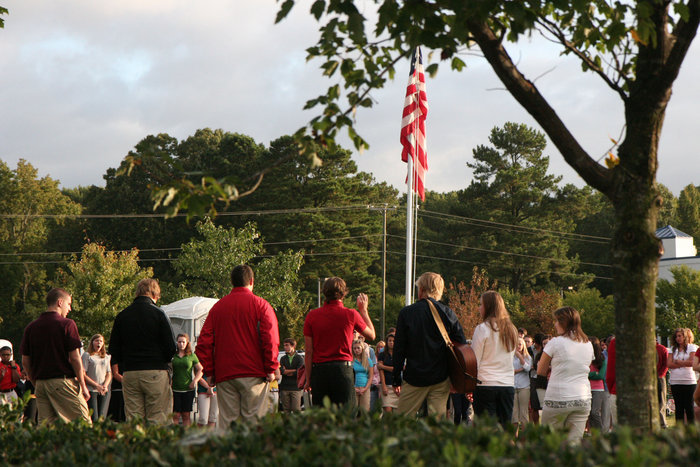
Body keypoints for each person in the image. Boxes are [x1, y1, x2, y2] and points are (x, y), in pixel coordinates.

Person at [196, 265, 280, 427]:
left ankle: (230, 453)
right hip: (254, 374)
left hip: (226, 375)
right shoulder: (261, 306)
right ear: (251, 281)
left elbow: (204, 342)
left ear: (232, 282)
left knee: (228, 424)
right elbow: (270, 338)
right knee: (255, 425)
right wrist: (271, 368)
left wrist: (210, 371)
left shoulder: (218, 308)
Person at [392, 272, 466, 418]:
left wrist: (396, 378)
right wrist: (455, 379)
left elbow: (399, 349)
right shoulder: (448, 313)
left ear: (421, 289)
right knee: (436, 425)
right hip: (441, 377)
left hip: (414, 377)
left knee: (402, 421)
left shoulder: (407, 313)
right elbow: (461, 345)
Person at [109, 278, 176, 425]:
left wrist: (125, 363)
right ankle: (154, 447)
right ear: (154, 294)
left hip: (130, 372)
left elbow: (113, 349)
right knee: (158, 418)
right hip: (155, 370)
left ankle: (135, 446)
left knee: (134, 419)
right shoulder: (159, 314)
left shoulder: (122, 315)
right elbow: (172, 347)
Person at [20, 288, 91, 424]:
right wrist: (82, 384)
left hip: (41, 384)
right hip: (62, 382)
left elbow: (25, 361)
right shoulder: (67, 324)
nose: (69, 308)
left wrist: (36, 381)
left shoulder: (31, 327)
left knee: (47, 428)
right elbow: (75, 358)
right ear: (60, 302)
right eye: (68, 304)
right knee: (83, 424)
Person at [303, 277, 375, 408]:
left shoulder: (312, 316)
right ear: (343, 293)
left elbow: (309, 351)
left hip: (320, 371)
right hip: (343, 369)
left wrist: (308, 379)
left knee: (322, 417)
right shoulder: (351, 314)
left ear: (324, 293)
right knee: (346, 416)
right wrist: (363, 311)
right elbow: (372, 335)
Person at [537, 307, 594, 443]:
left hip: (558, 397)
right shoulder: (588, 344)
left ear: (564, 322)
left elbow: (540, 370)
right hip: (583, 398)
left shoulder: (555, 343)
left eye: (557, 321)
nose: (555, 324)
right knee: (573, 444)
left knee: (550, 442)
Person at [471, 291, 517, 427]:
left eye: (481, 305)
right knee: (505, 429)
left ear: (488, 307)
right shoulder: (512, 330)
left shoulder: (482, 329)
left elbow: (475, 360)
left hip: (485, 384)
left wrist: (468, 386)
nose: (479, 308)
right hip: (507, 385)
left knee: (486, 430)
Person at [172, 333, 203, 426]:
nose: (181, 344)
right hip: (175, 389)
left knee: (186, 415)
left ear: (187, 343)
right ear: (177, 343)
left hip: (188, 389)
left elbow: (200, 369)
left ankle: (186, 437)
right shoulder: (173, 356)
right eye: (179, 342)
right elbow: (167, 369)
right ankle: (175, 437)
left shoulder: (191, 356)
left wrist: (195, 381)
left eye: (183, 342)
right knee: (175, 415)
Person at [667, 327, 697, 424]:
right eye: (676, 336)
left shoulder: (691, 347)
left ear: (685, 336)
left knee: (689, 407)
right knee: (679, 407)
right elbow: (669, 364)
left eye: (680, 336)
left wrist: (679, 362)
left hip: (688, 381)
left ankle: (691, 430)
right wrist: (684, 363)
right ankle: (679, 429)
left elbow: (692, 362)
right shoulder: (672, 349)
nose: (678, 338)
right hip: (675, 381)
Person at [82, 334, 112, 422]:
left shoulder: (106, 357)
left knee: (101, 416)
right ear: (92, 342)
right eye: (97, 341)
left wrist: (105, 385)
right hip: (91, 389)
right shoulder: (87, 355)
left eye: (101, 341)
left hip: (103, 390)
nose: (99, 343)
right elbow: (83, 374)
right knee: (94, 416)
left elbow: (109, 373)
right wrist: (96, 385)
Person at [587, 336, 609, 432]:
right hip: (587, 388)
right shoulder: (585, 357)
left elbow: (600, 376)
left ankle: (601, 432)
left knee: (594, 412)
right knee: (589, 413)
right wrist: (592, 374)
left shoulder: (601, 358)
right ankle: (593, 434)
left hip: (598, 389)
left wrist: (588, 374)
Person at [279, 338, 304, 413]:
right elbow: (282, 371)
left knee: (296, 410)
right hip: (284, 387)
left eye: (287, 345)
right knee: (286, 411)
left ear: (293, 346)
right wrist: (293, 370)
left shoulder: (299, 358)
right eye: (284, 345)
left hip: (295, 388)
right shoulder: (283, 358)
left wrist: (287, 371)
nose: (285, 347)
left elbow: (299, 371)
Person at [512, 337, 532, 432]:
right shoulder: (510, 357)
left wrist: (520, 357)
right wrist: (520, 369)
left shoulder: (527, 357)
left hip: (524, 387)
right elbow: (509, 371)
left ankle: (524, 439)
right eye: (516, 344)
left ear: (523, 345)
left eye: (520, 344)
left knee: (524, 414)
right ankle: (513, 439)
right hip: (512, 386)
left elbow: (528, 369)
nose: (518, 346)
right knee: (513, 414)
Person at [378, 333, 399, 413]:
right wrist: (383, 385)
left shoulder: (400, 354)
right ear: (387, 342)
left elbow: (399, 369)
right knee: (387, 412)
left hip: (398, 386)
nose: (391, 342)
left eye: (393, 341)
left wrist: (383, 366)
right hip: (386, 384)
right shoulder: (382, 354)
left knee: (398, 414)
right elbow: (380, 371)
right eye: (390, 341)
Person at [352, 340, 374, 411]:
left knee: (365, 411)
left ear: (362, 348)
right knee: (353, 411)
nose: (356, 350)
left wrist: (365, 388)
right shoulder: (351, 361)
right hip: (353, 387)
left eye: (358, 348)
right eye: (354, 348)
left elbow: (371, 376)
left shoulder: (368, 360)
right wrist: (354, 388)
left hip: (365, 387)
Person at [655, 339, 669, 429]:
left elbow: (666, 364)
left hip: (659, 377)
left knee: (661, 401)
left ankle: (662, 423)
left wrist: (661, 375)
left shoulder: (661, 349)